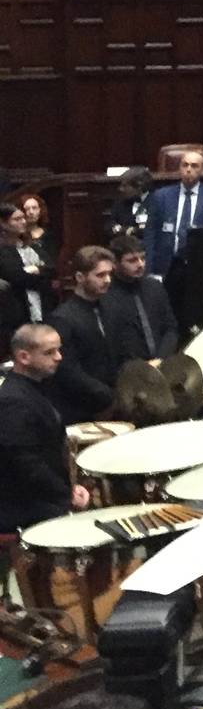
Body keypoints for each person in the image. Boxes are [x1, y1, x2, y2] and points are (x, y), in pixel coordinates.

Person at [0, 323, 89, 533]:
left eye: (58, 350)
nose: (58, 357)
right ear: (23, 357)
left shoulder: (37, 386)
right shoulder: (12, 401)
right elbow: (25, 464)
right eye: (49, 352)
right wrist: (65, 494)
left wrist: (69, 488)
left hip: (42, 494)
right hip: (23, 506)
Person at [47, 247, 119, 414]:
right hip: (79, 406)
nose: (108, 280)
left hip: (111, 401)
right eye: (100, 275)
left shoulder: (110, 308)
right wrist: (106, 393)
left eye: (110, 274)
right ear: (80, 277)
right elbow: (67, 369)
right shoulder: (62, 318)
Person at [143, 147, 203, 275]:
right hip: (165, 266)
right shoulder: (161, 196)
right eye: (185, 165)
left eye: (194, 166)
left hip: (200, 265)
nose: (188, 169)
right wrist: (149, 269)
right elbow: (151, 233)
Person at [102, 233, 178, 362]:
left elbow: (170, 328)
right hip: (128, 370)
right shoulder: (105, 295)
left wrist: (160, 358)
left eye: (143, 258)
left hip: (162, 363)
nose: (140, 264)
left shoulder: (154, 287)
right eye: (132, 260)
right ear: (114, 263)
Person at [0, 201, 53, 334]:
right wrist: (39, 271)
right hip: (15, 311)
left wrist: (36, 270)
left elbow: (51, 268)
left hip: (41, 305)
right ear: (3, 223)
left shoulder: (31, 245)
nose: (23, 221)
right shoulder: (3, 250)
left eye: (23, 218)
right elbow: (17, 277)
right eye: (17, 219)